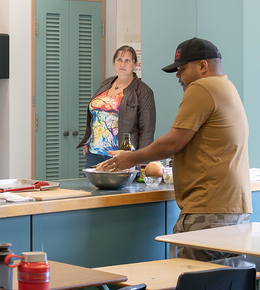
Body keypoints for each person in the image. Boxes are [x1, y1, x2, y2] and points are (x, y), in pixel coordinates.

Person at [97, 37, 251, 261]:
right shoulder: (227, 86)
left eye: (181, 70)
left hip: (207, 209)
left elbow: (173, 143)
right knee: (225, 285)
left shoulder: (201, 87)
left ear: (202, 66)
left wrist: (131, 158)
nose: (179, 77)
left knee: (195, 285)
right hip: (233, 206)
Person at [78, 45, 156, 168]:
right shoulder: (106, 83)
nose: (122, 64)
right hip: (94, 154)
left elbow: (147, 132)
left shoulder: (143, 91)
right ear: (114, 62)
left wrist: (141, 164)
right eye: (119, 60)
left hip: (120, 156)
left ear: (134, 64)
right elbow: (97, 114)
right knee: (89, 187)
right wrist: (88, 139)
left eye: (127, 60)